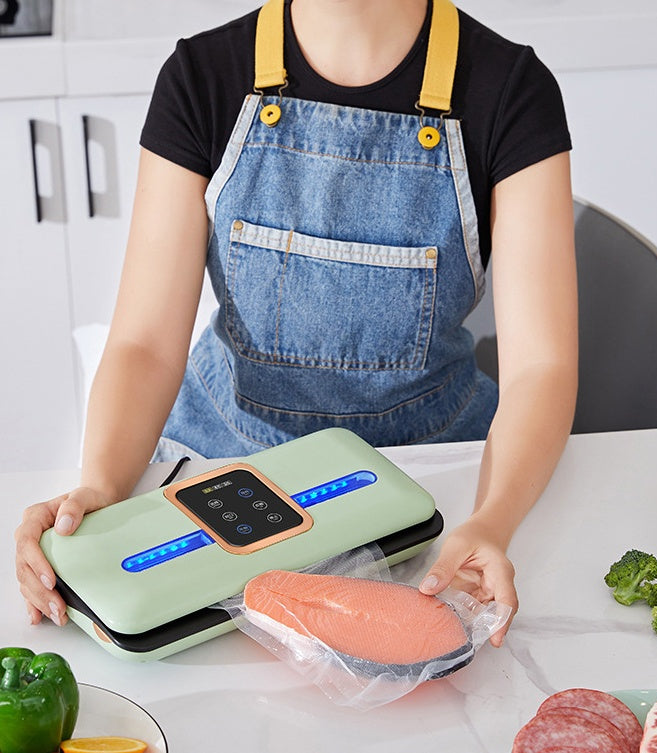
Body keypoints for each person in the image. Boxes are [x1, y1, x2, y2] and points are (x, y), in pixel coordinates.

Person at [14, 0, 577, 647]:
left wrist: (492, 521)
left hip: (428, 485)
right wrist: (101, 485)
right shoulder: (202, 75)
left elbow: (542, 366)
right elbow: (144, 343)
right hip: (221, 470)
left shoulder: (510, 89)